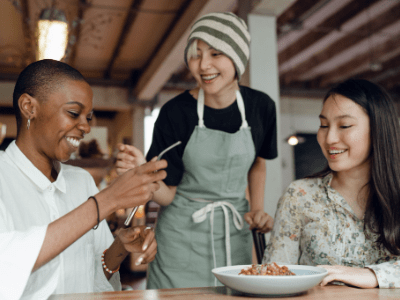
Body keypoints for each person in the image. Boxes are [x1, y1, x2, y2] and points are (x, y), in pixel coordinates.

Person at [116, 12, 277, 289]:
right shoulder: (175, 113)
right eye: (196, 54)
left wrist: (257, 209)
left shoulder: (260, 107)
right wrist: (142, 173)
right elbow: (165, 195)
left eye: (215, 54)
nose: (203, 65)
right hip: (180, 239)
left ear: (237, 58)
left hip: (233, 231)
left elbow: (257, 162)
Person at [0, 59, 167, 300]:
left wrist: (119, 248)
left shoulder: (81, 182)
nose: (85, 127)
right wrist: (106, 201)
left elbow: (94, 278)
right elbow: (8, 268)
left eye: (88, 117)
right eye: (73, 113)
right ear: (29, 107)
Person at [264, 79, 400, 288]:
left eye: (344, 125)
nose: (329, 139)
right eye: (324, 125)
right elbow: (274, 278)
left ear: (378, 130)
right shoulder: (300, 195)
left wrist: (372, 275)